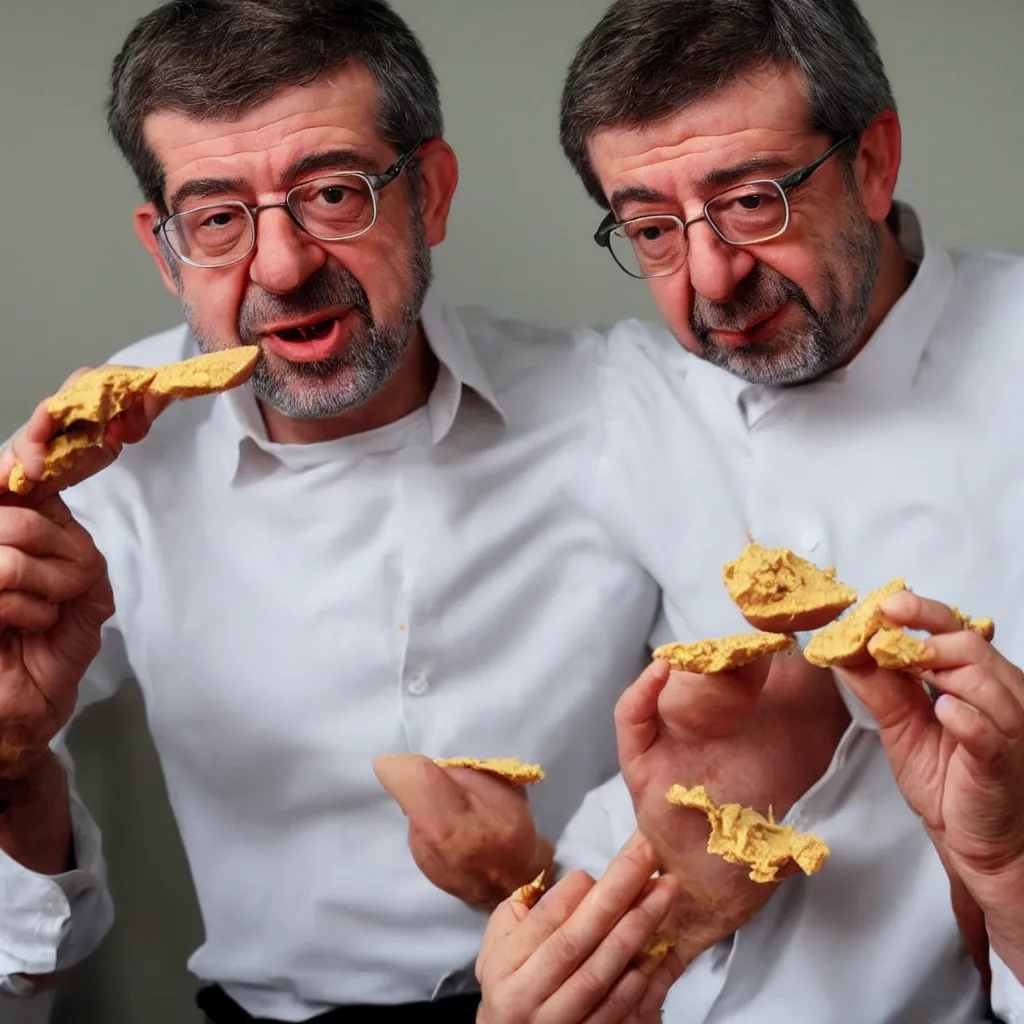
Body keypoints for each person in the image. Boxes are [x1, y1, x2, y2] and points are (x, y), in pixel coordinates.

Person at [0, 1, 751, 1020]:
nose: (281, 265)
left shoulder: (629, 405)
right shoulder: (94, 464)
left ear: (429, 195)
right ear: (165, 246)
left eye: (333, 193)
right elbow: (26, 963)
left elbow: (759, 754)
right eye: (218, 218)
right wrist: (8, 755)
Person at [476, 0, 1024, 1020]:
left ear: (872, 162)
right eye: (650, 227)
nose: (711, 277)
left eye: (752, 201)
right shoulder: (624, 404)